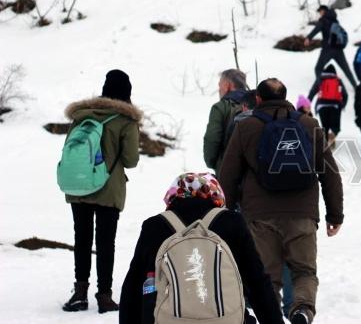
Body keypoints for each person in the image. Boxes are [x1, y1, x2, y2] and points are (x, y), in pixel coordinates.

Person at [218, 78, 344, 324]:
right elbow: (330, 173)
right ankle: (302, 311)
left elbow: (228, 175)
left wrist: (226, 216)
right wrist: (335, 215)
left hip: (259, 215)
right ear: (285, 97)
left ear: (258, 99)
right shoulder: (309, 124)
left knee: (266, 276)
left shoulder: (246, 127)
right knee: (304, 271)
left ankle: (270, 317)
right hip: (302, 214)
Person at [118, 173, 284, 324]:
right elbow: (258, 283)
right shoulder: (232, 222)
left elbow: (132, 287)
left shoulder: (154, 226)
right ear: (215, 194)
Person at [62, 70, 141, 313]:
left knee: (81, 238)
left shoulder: (81, 115)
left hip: (79, 186)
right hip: (108, 189)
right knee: (106, 242)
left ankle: (80, 292)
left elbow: (69, 146)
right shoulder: (125, 121)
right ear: (126, 94)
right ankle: (104, 296)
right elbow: (130, 160)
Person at [203, 69, 249, 173]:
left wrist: (213, 163)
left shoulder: (221, 107)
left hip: (228, 171)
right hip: (255, 173)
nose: (219, 90)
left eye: (220, 85)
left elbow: (212, 138)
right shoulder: (257, 104)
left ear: (228, 85)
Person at [303, 5, 358, 88]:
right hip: (338, 50)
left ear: (324, 11)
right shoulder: (335, 21)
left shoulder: (323, 21)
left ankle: (322, 88)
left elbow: (316, 29)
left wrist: (308, 38)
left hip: (327, 49)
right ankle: (357, 88)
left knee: (318, 68)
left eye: (320, 11)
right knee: (347, 70)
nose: (320, 13)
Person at [308, 64, 348, 146]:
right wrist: (342, 105)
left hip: (322, 105)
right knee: (335, 126)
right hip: (335, 106)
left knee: (325, 126)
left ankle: (325, 146)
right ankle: (331, 138)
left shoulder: (320, 79)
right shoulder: (338, 80)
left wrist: (307, 105)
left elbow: (312, 92)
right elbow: (345, 95)